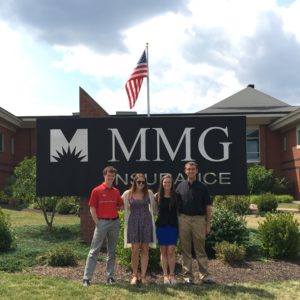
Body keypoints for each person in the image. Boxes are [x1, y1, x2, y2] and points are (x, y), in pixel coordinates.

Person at [82, 166, 123, 287]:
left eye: (113, 175)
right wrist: (97, 222)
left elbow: (120, 204)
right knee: (94, 251)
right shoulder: (97, 190)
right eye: (108, 175)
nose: (110, 177)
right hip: (102, 223)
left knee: (112, 252)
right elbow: (92, 208)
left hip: (114, 223)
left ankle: (110, 277)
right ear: (104, 175)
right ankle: (86, 278)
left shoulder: (116, 192)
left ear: (114, 177)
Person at [176, 161, 214, 284]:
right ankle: (188, 276)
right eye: (188, 169)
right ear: (185, 171)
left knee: (200, 249)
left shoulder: (203, 187)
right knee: (185, 250)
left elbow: (208, 206)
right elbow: (175, 204)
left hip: (199, 220)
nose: (191, 171)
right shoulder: (180, 186)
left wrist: (208, 224)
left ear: (197, 171)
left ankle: (205, 275)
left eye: (193, 169)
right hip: (184, 220)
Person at [122, 173, 157, 285]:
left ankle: (143, 276)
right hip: (133, 223)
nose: (141, 184)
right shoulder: (128, 194)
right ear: (135, 182)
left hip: (146, 223)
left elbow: (155, 209)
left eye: (143, 182)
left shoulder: (149, 193)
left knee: (145, 249)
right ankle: (134, 275)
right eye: (139, 182)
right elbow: (120, 204)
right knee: (135, 250)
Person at [155, 174, 179, 285]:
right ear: (162, 184)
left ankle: (172, 275)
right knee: (163, 251)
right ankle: (165, 275)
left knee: (171, 251)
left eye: (169, 182)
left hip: (173, 226)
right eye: (165, 182)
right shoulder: (157, 196)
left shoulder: (177, 196)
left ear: (172, 184)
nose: (167, 184)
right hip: (161, 227)